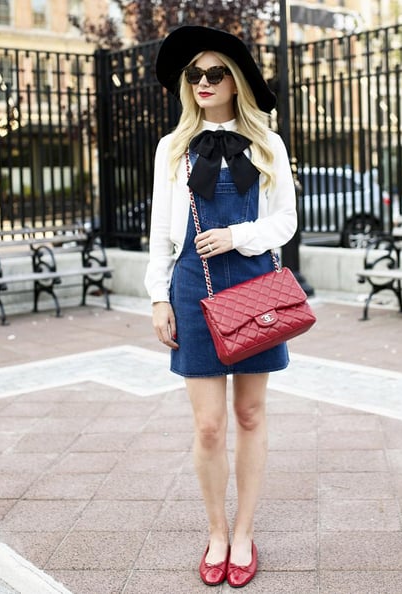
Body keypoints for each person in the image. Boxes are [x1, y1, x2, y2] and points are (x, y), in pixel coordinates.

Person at [144, 25, 297, 588]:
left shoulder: (267, 143)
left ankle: (245, 534)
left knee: (250, 415)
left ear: (236, 81)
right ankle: (216, 533)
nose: (203, 83)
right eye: (194, 75)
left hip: (254, 279)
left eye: (215, 73)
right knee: (208, 426)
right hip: (192, 284)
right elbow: (162, 229)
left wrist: (238, 235)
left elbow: (286, 222)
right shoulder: (172, 147)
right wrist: (159, 296)